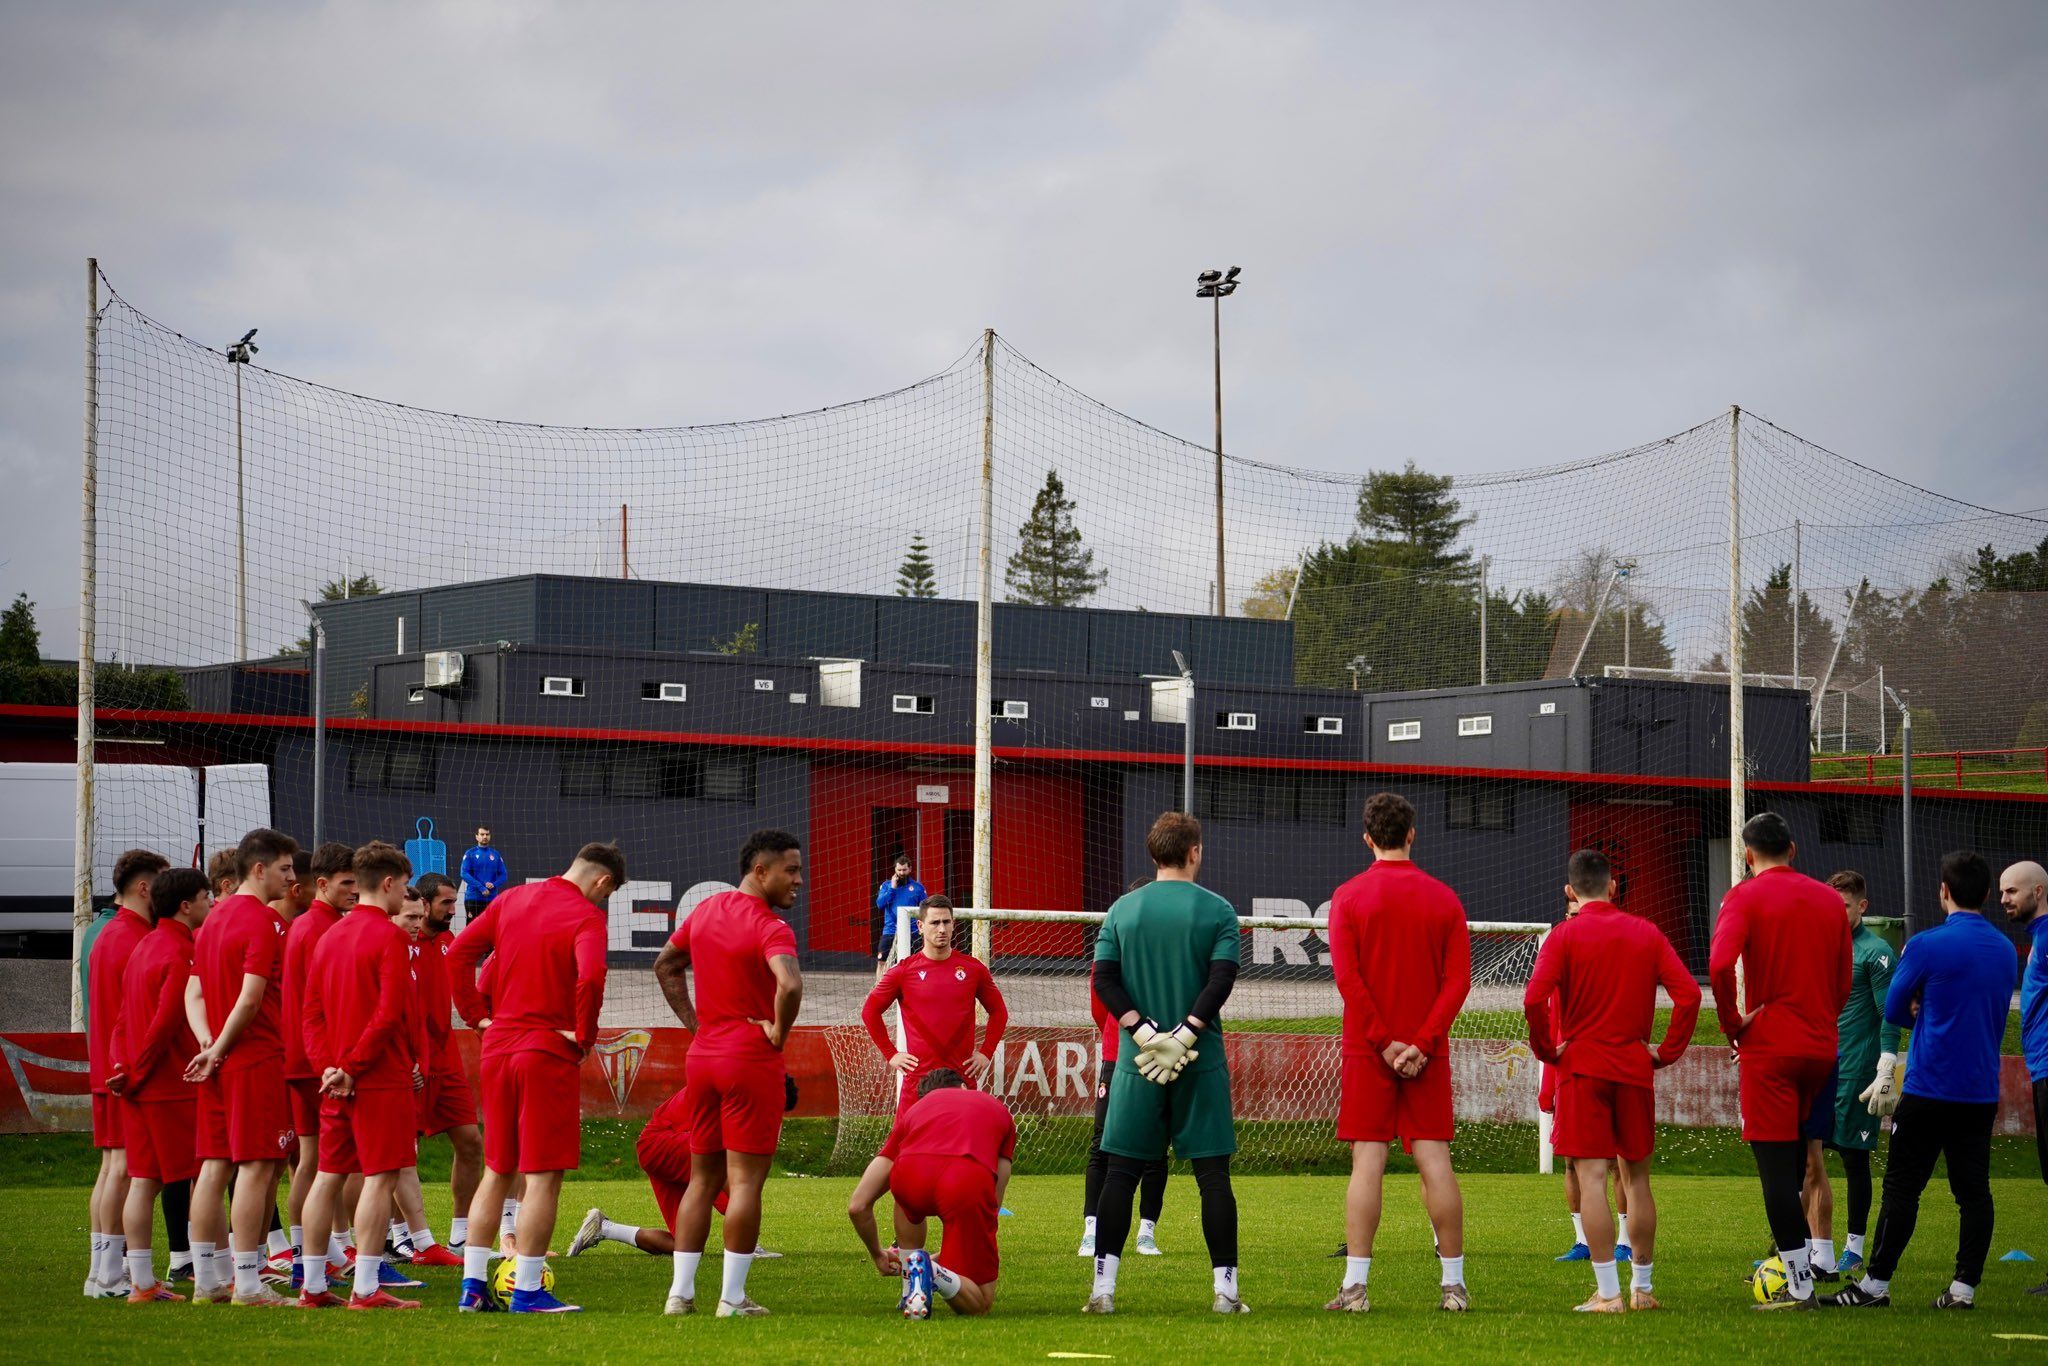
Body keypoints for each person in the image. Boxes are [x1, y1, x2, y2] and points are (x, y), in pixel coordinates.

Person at [1831, 851, 2019, 1310]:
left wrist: (1924, 1007)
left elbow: (1894, 1010)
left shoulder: (1925, 945)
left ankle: (1875, 1284)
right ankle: (1963, 1289)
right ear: (1987, 893)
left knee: (1902, 1188)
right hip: (1979, 1090)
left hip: (1929, 1086)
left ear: (1943, 892)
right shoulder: (2005, 949)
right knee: (1973, 1192)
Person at [449, 841, 623, 1314]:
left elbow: (459, 954)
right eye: (605, 895)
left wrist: (476, 1018)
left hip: (499, 1047)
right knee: (543, 1176)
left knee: (497, 1171)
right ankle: (527, 1290)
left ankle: (472, 1288)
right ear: (603, 882)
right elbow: (590, 977)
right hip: (546, 1050)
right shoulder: (586, 918)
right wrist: (584, 1036)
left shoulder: (510, 900)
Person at [1524, 849, 1700, 1312]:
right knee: (1638, 1180)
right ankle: (1643, 1289)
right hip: (1632, 1067)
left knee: (1593, 1177)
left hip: (1581, 1069)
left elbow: (1533, 1000)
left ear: (1570, 892)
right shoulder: (1646, 932)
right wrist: (1664, 1053)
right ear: (1613, 887)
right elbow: (1688, 996)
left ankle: (1608, 1294)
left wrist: (1548, 1052)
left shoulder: (1563, 936)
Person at [1084, 811, 1244, 1317]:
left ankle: (1103, 1292)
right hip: (1199, 1061)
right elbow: (1221, 980)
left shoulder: (1122, 911)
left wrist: (1144, 1032)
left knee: (1121, 1175)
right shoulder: (1219, 910)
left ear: (1153, 855)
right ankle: (1226, 1294)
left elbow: (1105, 980)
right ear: (1194, 851)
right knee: (1213, 1178)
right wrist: (1186, 1033)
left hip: (1138, 1062)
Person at [1324, 791, 1473, 1314]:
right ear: (1412, 834)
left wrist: (1385, 1043)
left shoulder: (1347, 896)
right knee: (1436, 1161)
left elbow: (1348, 979)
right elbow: (1458, 983)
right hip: (1425, 1051)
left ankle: (1356, 1288)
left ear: (1368, 838)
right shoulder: (1444, 898)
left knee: (1368, 1161)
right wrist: (1423, 1042)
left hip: (1370, 1050)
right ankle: (1453, 1286)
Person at [651, 830, 804, 1317]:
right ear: (761, 871)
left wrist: (698, 1026)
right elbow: (790, 983)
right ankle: (732, 1298)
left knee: (701, 1180)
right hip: (749, 1059)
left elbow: (665, 965)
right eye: (791, 870)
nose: (799, 880)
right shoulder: (770, 925)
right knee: (744, 1184)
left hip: (704, 1057)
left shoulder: (705, 911)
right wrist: (778, 1032)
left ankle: (680, 1294)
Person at [1709, 811, 1853, 1310]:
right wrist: (1822, 1019)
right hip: (1821, 1046)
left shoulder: (1743, 895)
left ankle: (1799, 1285)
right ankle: (1802, 1261)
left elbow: (1718, 963)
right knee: (1800, 1160)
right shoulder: (1829, 901)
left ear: (1748, 857)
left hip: (1771, 1047)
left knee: (1774, 1165)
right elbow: (1843, 979)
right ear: (1793, 849)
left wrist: (1734, 1023)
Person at [297, 841, 426, 1310]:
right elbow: (390, 1011)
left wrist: (328, 1068)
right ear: (389, 883)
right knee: (379, 1178)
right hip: (378, 1076)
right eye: (405, 887)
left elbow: (309, 1014)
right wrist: (350, 1066)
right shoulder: (391, 937)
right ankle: (366, 1288)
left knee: (328, 1176)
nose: (407, 897)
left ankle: (312, 1287)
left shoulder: (330, 934)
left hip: (336, 1079)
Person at [186, 827, 300, 1308]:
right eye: (286, 869)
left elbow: (192, 993)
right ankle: (249, 1284)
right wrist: (220, 1047)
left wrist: (207, 1043)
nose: (292, 878)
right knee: (258, 1166)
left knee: (214, 1167)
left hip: (220, 1058)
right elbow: (251, 999)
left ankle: (207, 1280)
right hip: (253, 1059)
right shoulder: (262, 921)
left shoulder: (213, 918)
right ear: (260, 869)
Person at [108, 867, 212, 1301]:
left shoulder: (146, 944)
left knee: (143, 1180)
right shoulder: (180, 950)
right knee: (201, 1176)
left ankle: (143, 1284)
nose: (211, 903)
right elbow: (166, 1022)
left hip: (137, 1082)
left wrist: (121, 1068)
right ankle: (213, 1274)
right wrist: (139, 1072)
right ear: (186, 906)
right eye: (206, 896)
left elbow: (122, 1020)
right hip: (169, 1083)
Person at [565, 1076, 797, 1261]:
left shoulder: (741, 1088)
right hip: (664, 1141)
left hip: (660, 1145)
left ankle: (605, 1228)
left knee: (686, 1246)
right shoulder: (734, 1088)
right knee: (732, 1177)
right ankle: (747, 1246)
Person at [847, 1068, 1016, 1317]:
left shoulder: (915, 1112)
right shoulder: (994, 1106)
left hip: (910, 1175)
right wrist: (943, 1261)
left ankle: (910, 1281)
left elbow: (857, 1206)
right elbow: (993, 1198)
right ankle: (931, 1272)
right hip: (964, 1177)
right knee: (981, 1303)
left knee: (905, 1203)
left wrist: (878, 1255)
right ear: (963, 1088)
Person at [1799, 870, 1900, 1283]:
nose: (1835, 912)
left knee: (1855, 1160)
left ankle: (1853, 1249)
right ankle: (1801, 1246)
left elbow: (1889, 1015)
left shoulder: (1876, 953)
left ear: (1862, 907)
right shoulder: (1817, 947)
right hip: (1819, 1065)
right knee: (1809, 1160)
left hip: (1857, 1070)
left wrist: (1886, 1067)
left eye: (1843, 905)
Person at [83, 848, 169, 1299]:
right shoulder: (133, 937)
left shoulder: (109, 933)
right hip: (123, 1071)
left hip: (107, 1067)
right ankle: (111, 1274)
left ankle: (101, 1272)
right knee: (122, 1170)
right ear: (143, 888)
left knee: (111, 1169)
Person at [1538, 892, 1632, 1266]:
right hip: (1567, 1073)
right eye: (1570, 915)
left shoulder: (1619, 954)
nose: (1576, 920)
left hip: (1611, 1069)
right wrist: (1548, 1082)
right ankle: (1582, 1240)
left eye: (1581, 912)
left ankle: (1624, 1240)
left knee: (1616, 1163)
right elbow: (1549, 1019)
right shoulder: (1558, 958)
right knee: (1571, 1161)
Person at [281, 841, 356, 1288]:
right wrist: (334, 1062)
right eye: (347, 883)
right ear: (322, 884)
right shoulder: (320, 929)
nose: (355, 890)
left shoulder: (313, 924)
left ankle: (316, 1255)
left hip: (307, 1058)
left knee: (315, 1164)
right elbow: (323, 1005)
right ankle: (310, 1257)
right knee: (318, 1164)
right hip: (317, 1062)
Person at [861, 896, 1008, 1120]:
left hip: (961, 1078)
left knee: (961, 1145)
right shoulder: (903, 972)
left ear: (953, 924)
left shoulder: (973, 969)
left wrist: (986, 1052)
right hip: (918, 1080)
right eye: (934, 923)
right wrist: (891, 1054)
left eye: (946, 922)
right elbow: (870, 1011)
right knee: (908, 1147)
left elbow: (999, 1012)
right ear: (920, 926)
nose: (942, 929)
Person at [412, 871, 484, 1255]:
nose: (454, 910)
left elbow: (465, 994)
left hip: (446, 1057)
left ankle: (459, 1235)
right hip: (410, 1059)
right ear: (423, 904)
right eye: (446, 903)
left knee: (471, 1142)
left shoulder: (449, 941)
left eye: (455, 902)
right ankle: (401, 1238)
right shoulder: (401, 940)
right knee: (401, 1153)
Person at [1081, 947, 1169, 1259]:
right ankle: (1091, 1230)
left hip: (1158, 1054)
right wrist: (1115, 1036)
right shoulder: (1109, 952)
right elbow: (1099, 1006)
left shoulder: (1166, 951)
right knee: (1102, 1141)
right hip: (1116, 1055)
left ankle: (1146, 1232)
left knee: (1156, 1146)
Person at [2004, 859, 2048, 1296]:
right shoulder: (2039, 939)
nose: (2003, 900)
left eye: (2012, 891)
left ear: (2037, 892)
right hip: (2041, 1066)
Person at [875, 854, 927, 977]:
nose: (902, 873)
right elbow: (879, 904)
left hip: (912, 932)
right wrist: (892, 888)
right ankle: (880, 990)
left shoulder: (918, 888)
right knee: (882, 962)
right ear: (895, 870)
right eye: (899, 870)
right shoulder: (887, 885)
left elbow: (925, 910)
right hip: (890, 931)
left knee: (915, 963)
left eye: (904, 870)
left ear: (910, 869)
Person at [460, 826, 508, 923]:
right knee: (472, 929)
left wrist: (494, 884)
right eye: (482, 834)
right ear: (477, 837)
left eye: (487, 834)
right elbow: (464, 873)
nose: (485, 837)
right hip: (473, 898)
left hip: (491, 899)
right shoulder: (470, 853)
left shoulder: (496, 854)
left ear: (490, 836)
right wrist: (481, 887)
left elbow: (504, 875)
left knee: (490, 930)